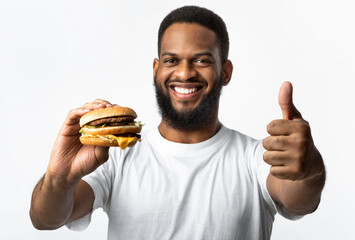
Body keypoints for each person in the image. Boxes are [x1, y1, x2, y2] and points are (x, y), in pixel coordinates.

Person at [30, 6, 326, 240]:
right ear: (156, 69)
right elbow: (46, 218)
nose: (184, 73)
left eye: (201, 61)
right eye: (171, 60)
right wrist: (59, 178)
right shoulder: (116, 155)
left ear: (225, 72)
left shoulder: (254, 158)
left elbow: (298, 200)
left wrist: (310, 171)